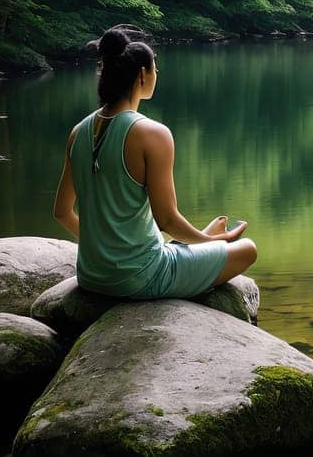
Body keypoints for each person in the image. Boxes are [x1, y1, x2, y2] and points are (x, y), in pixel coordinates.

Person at [51, 26, 256, 297]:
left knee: (171, 244)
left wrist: (103, 250)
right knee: (247, 249)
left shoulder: (78, 131)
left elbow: (62, 212)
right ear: (142, 76)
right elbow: (167, 221)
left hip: (91, 275)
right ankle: (205, 242)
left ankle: (198, 244)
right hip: (140, 276)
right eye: (155, 69)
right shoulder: (152, 134)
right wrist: (213, 240)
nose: (156, 75)